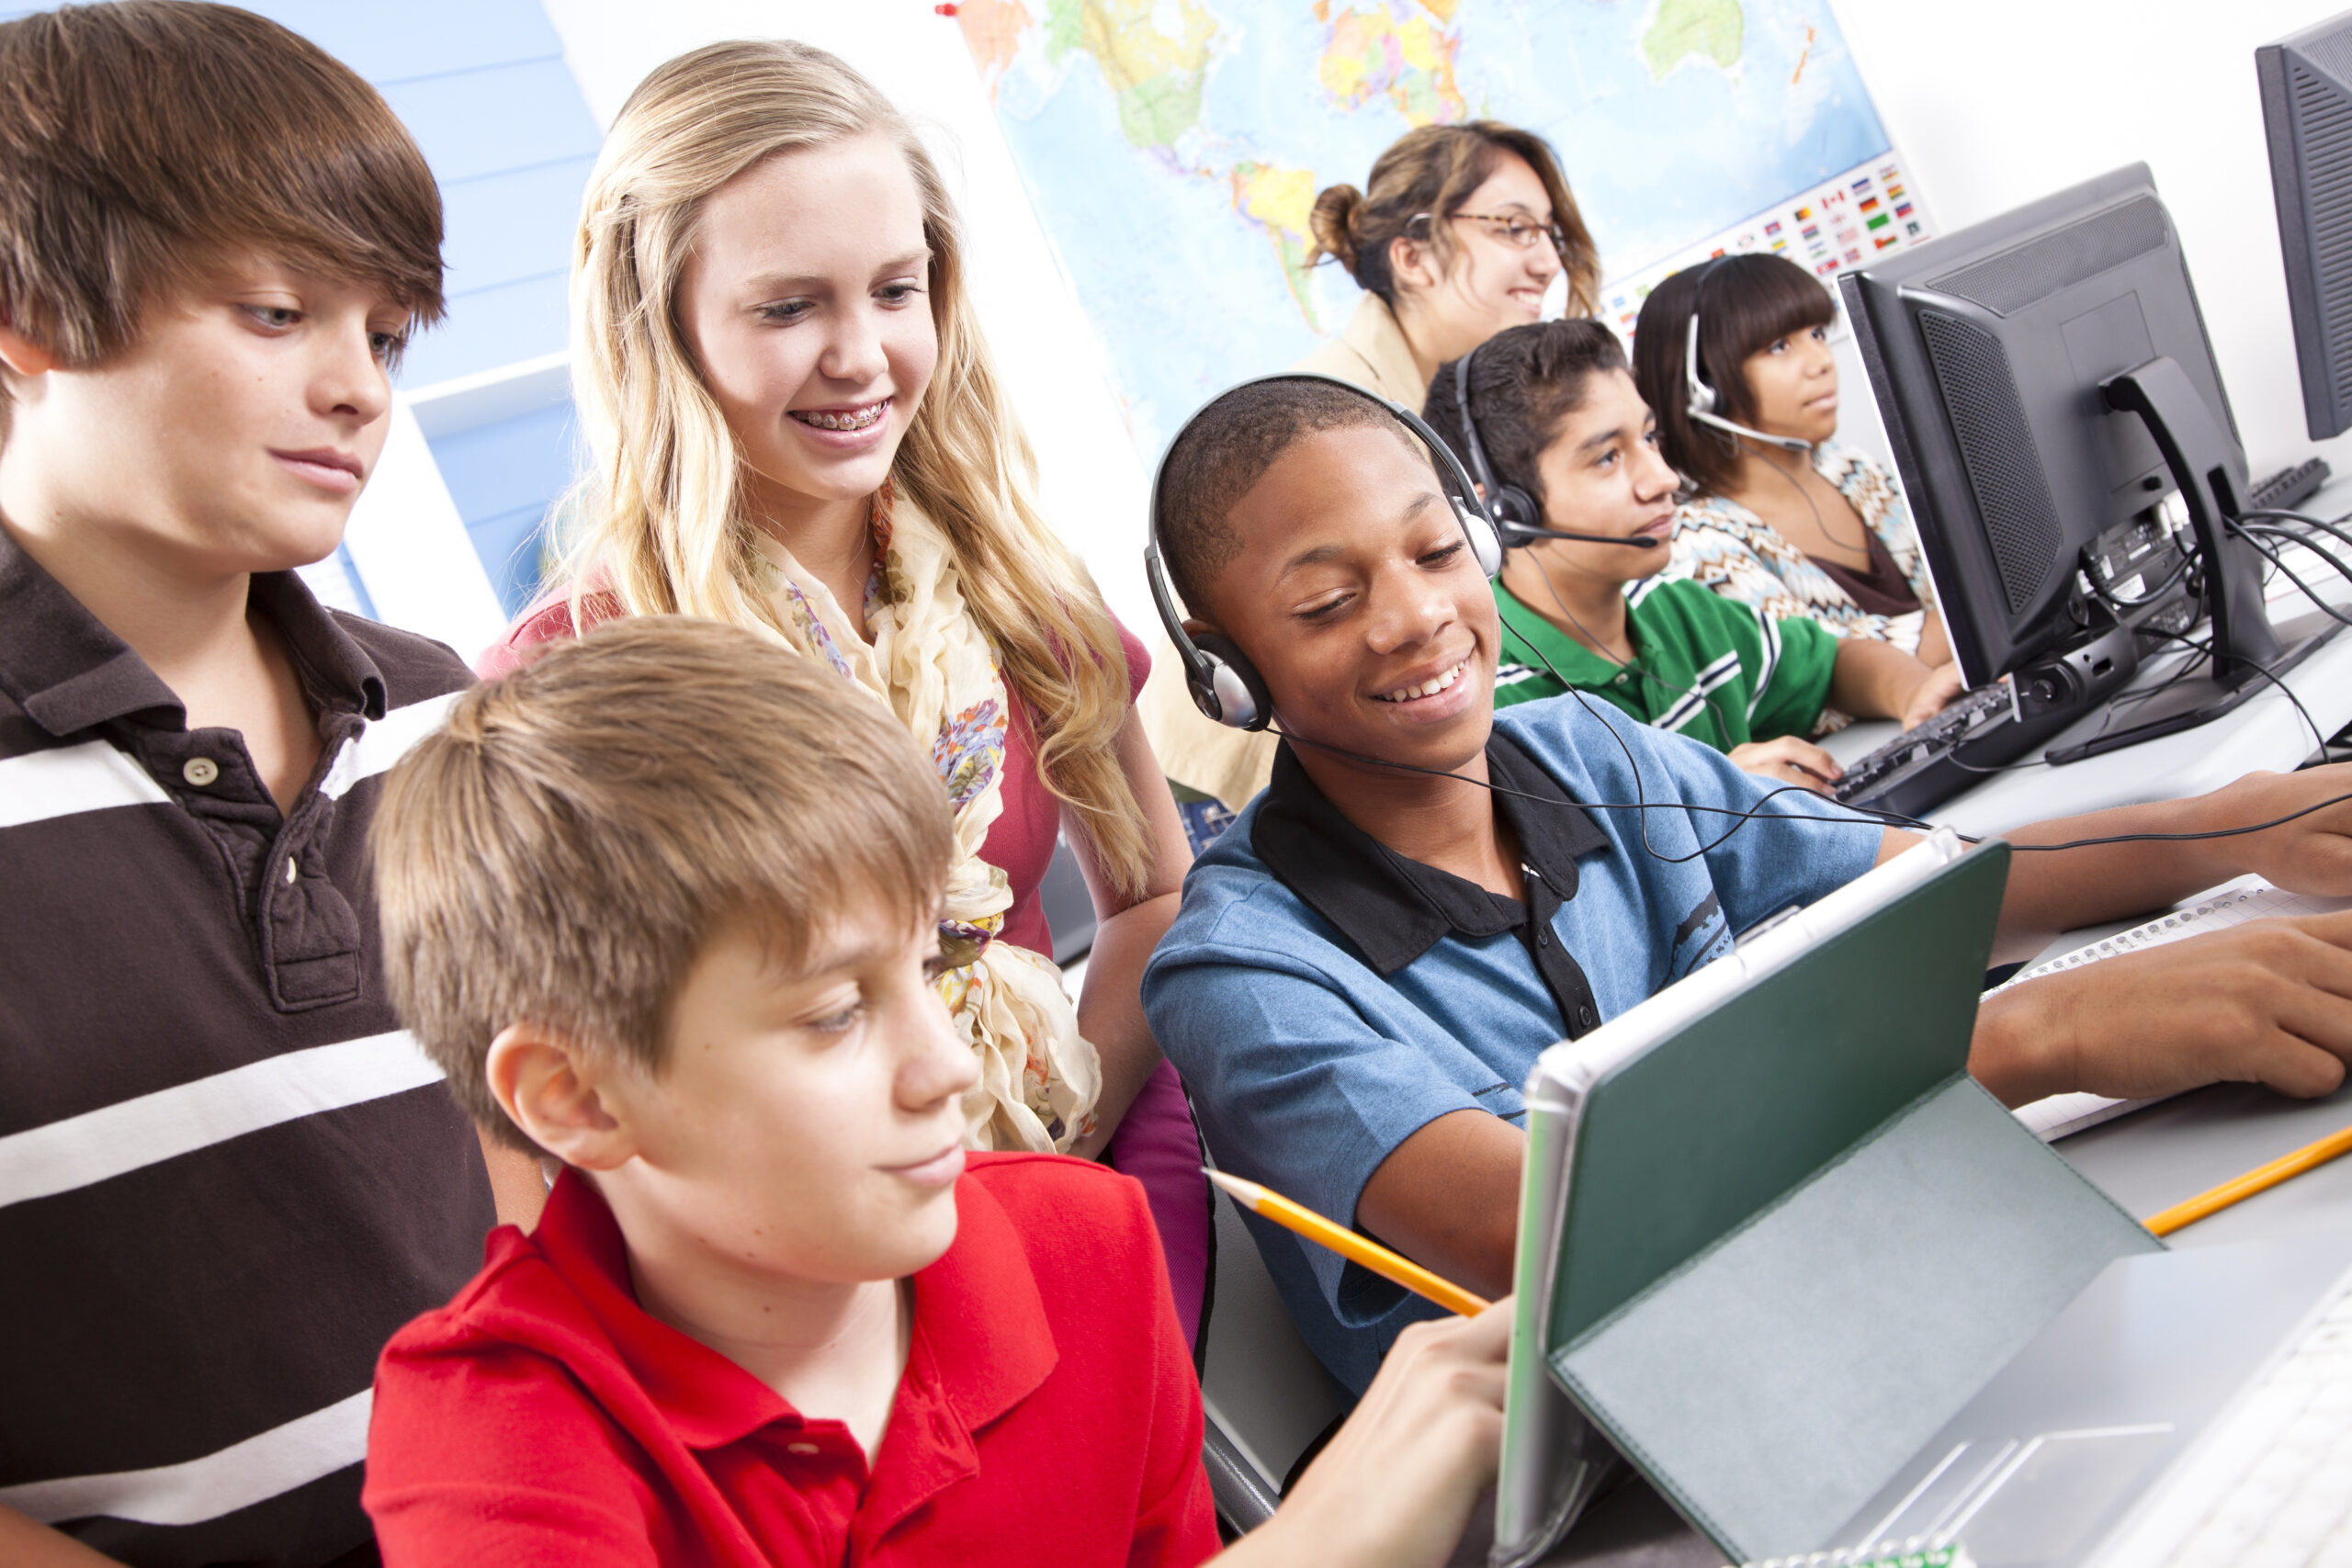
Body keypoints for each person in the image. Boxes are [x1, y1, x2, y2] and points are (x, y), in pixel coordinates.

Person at [1139, 376, 2352, 1392]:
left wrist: (2233, 827)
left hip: (1830, 1286)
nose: (1415, 616)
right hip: (1610, 1470)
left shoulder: (1587, 752)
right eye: (1327, 601)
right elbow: (1556, 1226)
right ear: (1228, 672)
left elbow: (1934, 889)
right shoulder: (1243, 970)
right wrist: (2050, 1028)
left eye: (1434, 549)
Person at [361, 616, 1512, 1568]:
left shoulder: (1087, 1240)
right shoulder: (489, 1442)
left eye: (927, 972)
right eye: (832, 1014)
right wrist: (1319, 1544)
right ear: (572, 1096)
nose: (951, 1072)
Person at [483, 41, 1211, 1338]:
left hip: (1091, 1176)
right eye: (787, 307)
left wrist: (1059, 1141)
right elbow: (578, 1126)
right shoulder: (574, 682)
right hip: (807, 1295)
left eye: (895, 288)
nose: (863, 353)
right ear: (664, 328)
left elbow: (1156, 895)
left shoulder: (1013, 577)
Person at [0, 6, 544, 1565]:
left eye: (383, 334)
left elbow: (518, 1162)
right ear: (26, 314)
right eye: (277, 312)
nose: (362, 389)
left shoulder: (434, 708)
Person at [1145, 121, 1602, 820]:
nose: (1545, 261)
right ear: (1414, 258)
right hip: (1240, 791)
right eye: (1514, 228)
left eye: (1548, 233)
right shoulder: (1332, 423)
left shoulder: (1425, 412)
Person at [1422, 320, 1962, 794]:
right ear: (1499, 511)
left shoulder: (1676, 610)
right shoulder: (1491, 705)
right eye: (1608, 457)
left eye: (1650, 438)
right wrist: (1724, 795)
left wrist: (1913, 692)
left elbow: (1837, 665)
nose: (1665, 479)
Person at [1633, 253, 1953, 669]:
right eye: (1780, 347)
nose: (1821, 361)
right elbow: (1823, 669)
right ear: (1702, 388)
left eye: (1818, 333)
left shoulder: (1852, 470)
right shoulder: (1699, 543)